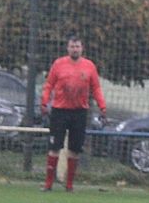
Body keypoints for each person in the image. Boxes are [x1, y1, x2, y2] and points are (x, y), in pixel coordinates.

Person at [40, 36, 107, 192]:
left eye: (77, 46)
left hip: (79, 112)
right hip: (59, 111)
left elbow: (96, 88)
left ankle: (69, 185)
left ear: (82, 48)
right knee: (54, 147)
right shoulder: (59, 64)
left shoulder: (89, 66)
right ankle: (48, 184)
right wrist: (44, 102)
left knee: (75, 149)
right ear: (68, 48)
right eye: (72, 46)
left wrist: (102, 106)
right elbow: (49, 84)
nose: (75, 49)